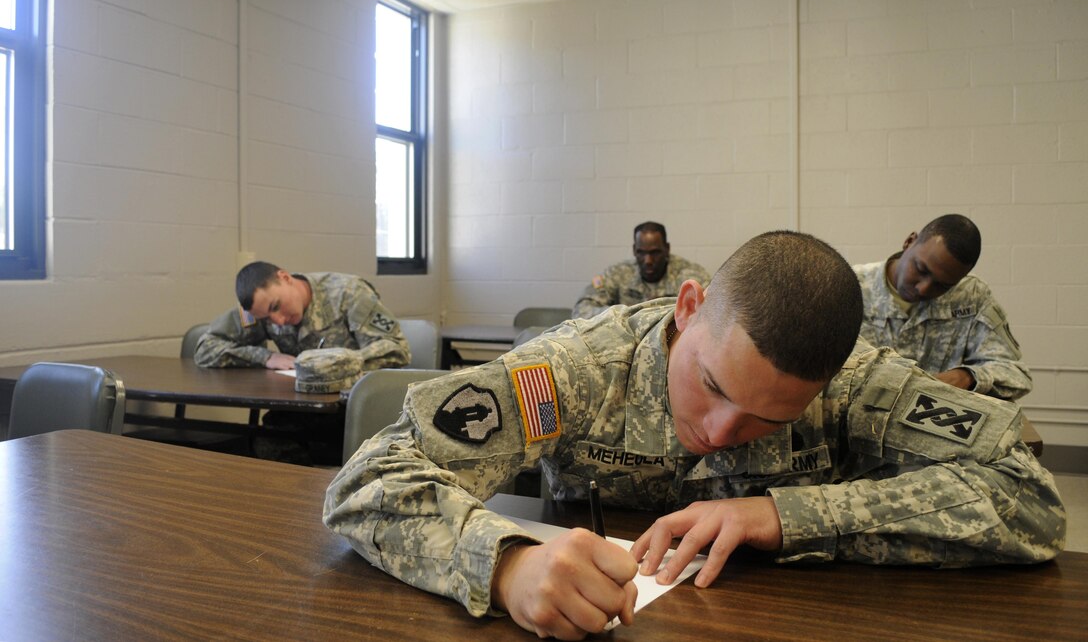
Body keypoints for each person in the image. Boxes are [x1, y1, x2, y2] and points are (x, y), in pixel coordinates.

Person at [324, 231, 1065, 639]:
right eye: (712, 386)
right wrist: (507, 562)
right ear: (687, 306)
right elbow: (368, 479)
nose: (718, 431)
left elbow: (1028, 497)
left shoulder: (859, 381)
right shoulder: (578, 368)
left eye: (766, 420)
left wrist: (780, 517)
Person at [195, 261, 410, 464]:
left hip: (353, 410)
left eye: (276, 306)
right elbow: (206, 348)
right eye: (267, 319)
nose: (277, 321)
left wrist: (332, 366)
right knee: (267, 442)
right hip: (304, 409)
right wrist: (265, 357)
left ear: (285, 277)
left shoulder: (348, 292)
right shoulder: (259, 309)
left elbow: (396, 349)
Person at [854, 214, 1032, 401]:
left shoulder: (970, 296)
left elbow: (1015, 374)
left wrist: (967, 377)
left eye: (943, 286)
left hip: (931, 423)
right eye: (921, 269)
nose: (923, 289)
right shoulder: (849, 286)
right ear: (909, 242)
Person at [572, 221, 711, 320]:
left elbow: (712, 313)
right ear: (634, 250)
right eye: (641, 252)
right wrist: (629, 313)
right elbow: (582, 310)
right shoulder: (619, 273)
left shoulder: (690, 275)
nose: (648, 260)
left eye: (655, 253)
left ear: (667, 249)